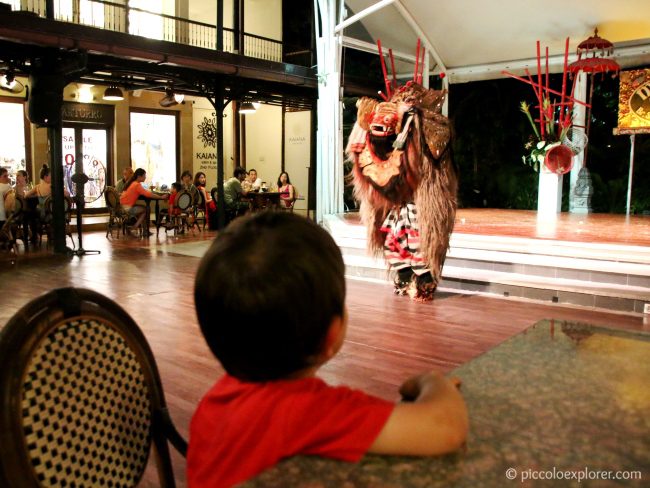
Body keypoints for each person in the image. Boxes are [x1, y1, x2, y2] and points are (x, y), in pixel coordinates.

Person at [188, 212, 468, 488]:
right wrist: (431, 381)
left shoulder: (211, 405)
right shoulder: (307, 412)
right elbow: (445, 427)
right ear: (331, 336)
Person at [119, 168, 168, 235]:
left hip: (121, 207)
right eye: (144, 175)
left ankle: (144, 230)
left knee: (142, 210)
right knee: (146, 209)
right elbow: (148, 194)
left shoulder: (132, 183)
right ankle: (135, 227)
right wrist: (161, 197)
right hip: (126, 208)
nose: (145, 177)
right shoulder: (137, 185)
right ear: (139, 176)